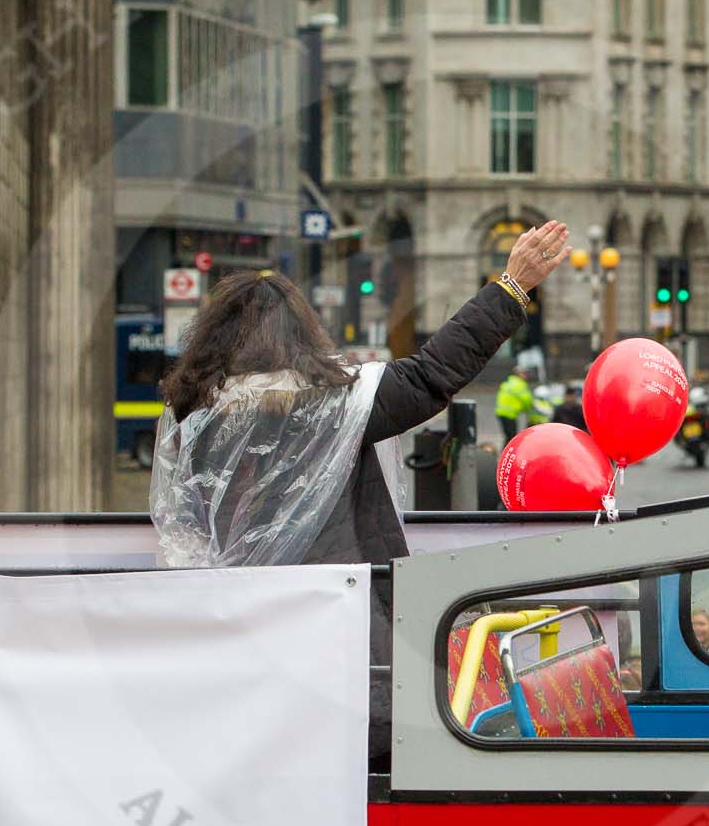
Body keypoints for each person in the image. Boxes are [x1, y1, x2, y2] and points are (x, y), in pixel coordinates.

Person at [151, 220, 568, 575]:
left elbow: (184, 524)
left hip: (241, 613)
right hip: (345, 608)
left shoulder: (193, 417)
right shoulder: (339, 406)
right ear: (302, 333)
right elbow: (432, 372)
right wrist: (511, 287)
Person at [494, 353, 543, 439]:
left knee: (508, 436)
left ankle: (505, 451)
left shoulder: (509, 382)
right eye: (524, 373)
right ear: (518, 373)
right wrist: (531, 409)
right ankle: (509, 452)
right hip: (510, 414)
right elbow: (527, 400)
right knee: (512, 438)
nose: (526, 375)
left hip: (501, 413)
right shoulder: (519, 384)